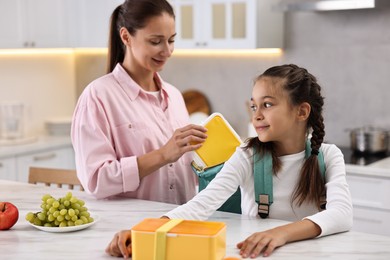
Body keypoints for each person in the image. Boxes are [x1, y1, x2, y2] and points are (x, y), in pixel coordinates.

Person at [105, 64, 353, 258]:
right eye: (254, 106)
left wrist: (280, 233)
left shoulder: (328, 156)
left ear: (302, 111)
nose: (257, 115)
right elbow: (202, 204)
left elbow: (341, 214)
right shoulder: (247, 155)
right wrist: (145, 232)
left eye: (267, 104)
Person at [71, 0, 207, 204]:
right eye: (155, 41)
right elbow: (96, 180)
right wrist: (162, 155)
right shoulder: (98, 96)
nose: (167, 51)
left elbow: (186, 170)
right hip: (131, 229)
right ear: (126, 36)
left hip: (181, 223)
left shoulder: (175, 96)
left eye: (171, 40)